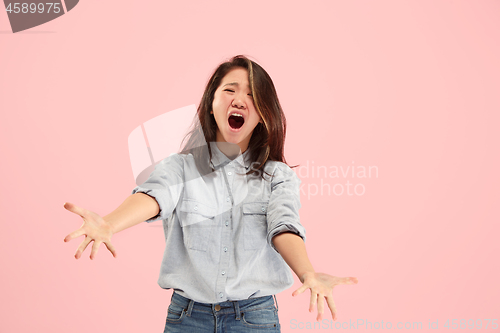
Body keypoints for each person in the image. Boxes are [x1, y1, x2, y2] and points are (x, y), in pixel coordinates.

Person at [64, 55, 358, 332]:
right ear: (211, 103)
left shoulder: (277, 177)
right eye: (230, 90)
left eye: (253, 96)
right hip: (188, 318)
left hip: (254, 318)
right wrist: (109, 223)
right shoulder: (179, 167)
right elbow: (154, 196)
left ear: (263, 114)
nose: (240, 100)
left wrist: (307, 272)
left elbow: (284, 225)